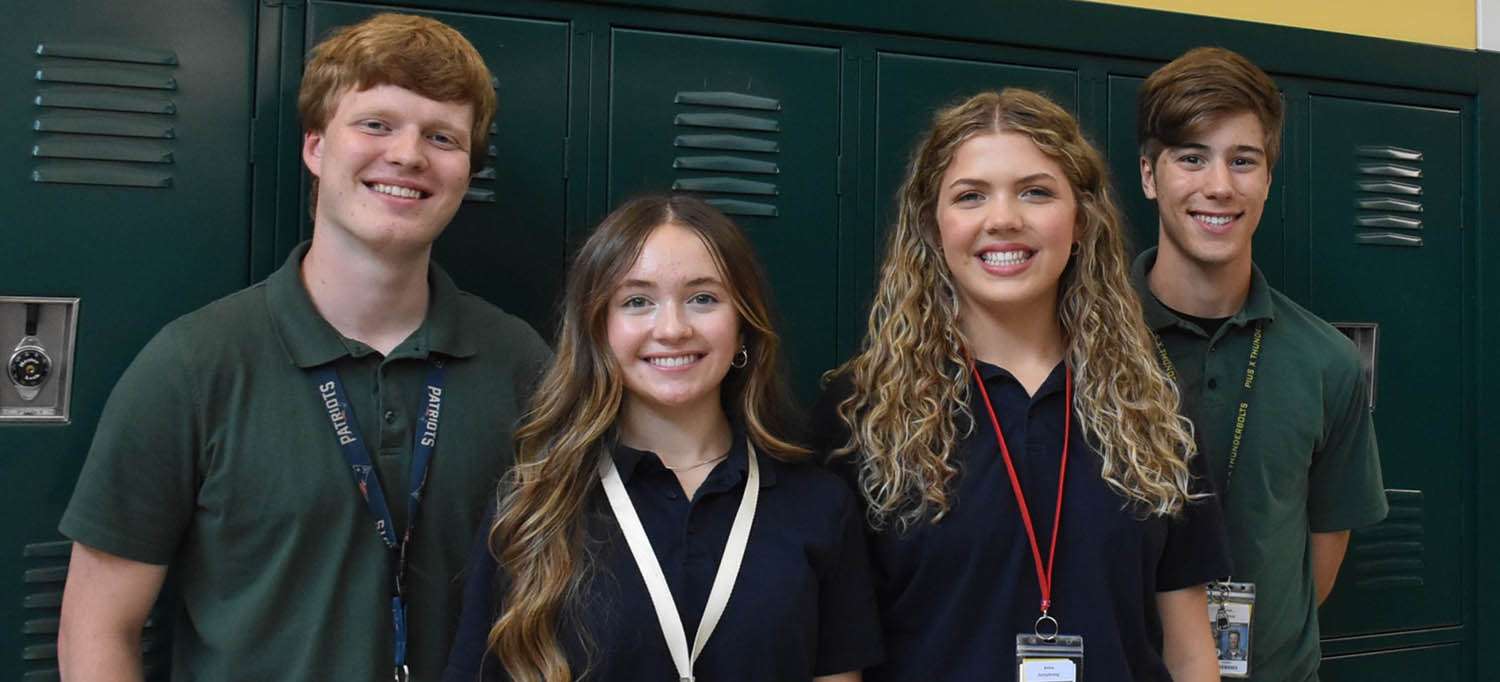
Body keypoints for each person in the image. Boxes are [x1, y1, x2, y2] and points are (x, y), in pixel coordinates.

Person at [56, 13, 550, 681]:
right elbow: (98, 629)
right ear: (316, 147)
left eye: (441, 136)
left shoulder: (520, 363)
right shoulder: (193, 365)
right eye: (376, 124)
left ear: (466, 171)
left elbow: (563, 594)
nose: (407, 155)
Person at [812, 89, 1229, 681]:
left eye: (1036, 192)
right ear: (933, 226)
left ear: (1080, 221)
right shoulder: (862, 412)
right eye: (971, 195)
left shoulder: (1151, 404)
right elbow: (836, 660)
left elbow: (1189, 647)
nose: (1003, 219)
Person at [442, 195, 882, 682]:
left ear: (743, 327)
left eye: (703, 298)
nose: (672, 329)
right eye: (637, 302)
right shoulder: (531, 507)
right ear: (598, 330)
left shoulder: (818, 505)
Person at [1133, 46, 1387, 681]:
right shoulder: (1080, 341)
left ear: (1268, 179)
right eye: (1191, 157)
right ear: (1148, 175)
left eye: (1242, 160)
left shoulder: (1327, 360)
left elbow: (1319, 562)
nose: (1219, 185)